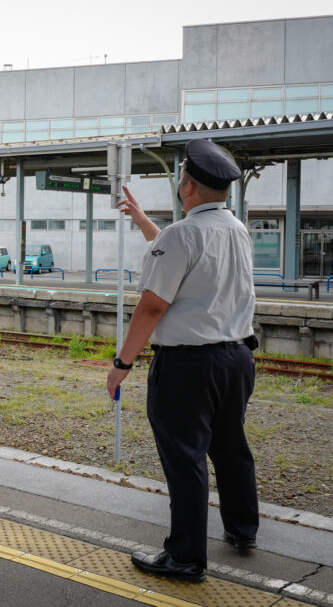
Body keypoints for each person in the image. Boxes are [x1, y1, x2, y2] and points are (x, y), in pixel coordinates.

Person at [106, 138, 259, 584]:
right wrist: (142, 221)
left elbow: (152, 306)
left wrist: (123, 363)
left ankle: (186, 558)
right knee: (231, 447)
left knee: (185, 457)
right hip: (236, 360)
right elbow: (184, 259)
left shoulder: (182, 235)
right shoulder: (236, 229)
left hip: (189, 367)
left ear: (187, 186)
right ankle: (242, 530)